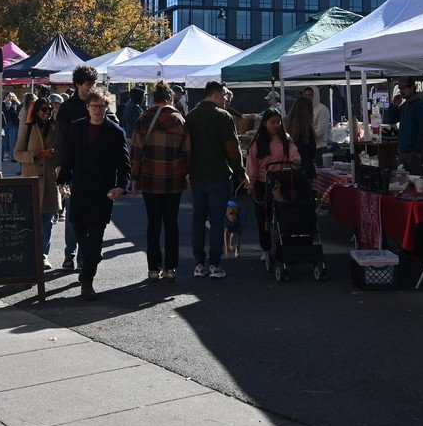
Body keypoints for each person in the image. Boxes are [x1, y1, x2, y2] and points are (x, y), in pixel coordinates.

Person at [57, 87, 130, 300]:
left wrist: (121, 186)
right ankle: (91, 256)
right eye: (94, 106)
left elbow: (124, 165)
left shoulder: (116, 132)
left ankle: (87, 282)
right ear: (87, 107)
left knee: (96, 234)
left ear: (107, 107)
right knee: (79, 229)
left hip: (102, 192)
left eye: (102, 106)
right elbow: (68, 158)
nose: (98, 110)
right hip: (79, 189)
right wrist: (61, 182)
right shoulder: (77, 128)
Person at [185, 80, 244, 279]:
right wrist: (240, 171)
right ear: (217, 94)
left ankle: (199, 264)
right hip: (219, 175)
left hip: (197, 175)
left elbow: (186, 148)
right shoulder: (223, 117)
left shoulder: (191, 116)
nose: (226, 100)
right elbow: (232, 148)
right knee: (218, 222)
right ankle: (215, 265)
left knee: (198, 220)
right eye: (225, 96)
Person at [129, 80, 187, 281]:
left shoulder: (143, 118)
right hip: (173, 178)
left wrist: (134, 178)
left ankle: (153, 268)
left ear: (154, 99)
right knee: (171, 223)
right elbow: (187, 151)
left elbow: (135, 152)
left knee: (153, 223)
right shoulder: (179, 119)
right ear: (170, 97)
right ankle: (170, 268)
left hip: (150, 178)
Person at [51, 64, 98, 272]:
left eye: (94, 83)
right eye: (89, 83)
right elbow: (59, 139)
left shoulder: (96, 104)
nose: (92, 87)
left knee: (89, 215)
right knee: (72, 214)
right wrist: (60, 166)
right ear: (79, 84)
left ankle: (83, 256)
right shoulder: (68, 108)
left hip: (93, 167)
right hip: (72, 167)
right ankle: (70, 255)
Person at [245, 107, 301, 254]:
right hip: (263, 184)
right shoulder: (257, 142)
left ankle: (285, 242)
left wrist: (295, 159)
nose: (277, 125)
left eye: (278, 122)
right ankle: (266, 248)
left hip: (282, 180)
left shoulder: (285, 138)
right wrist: (250, 184)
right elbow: (251, 165)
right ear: (265, 123)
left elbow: (294, 152)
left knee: (284, 213)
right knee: (264, 217)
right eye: (273, 122)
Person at [13, 96, 59, 268]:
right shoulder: (28, 129)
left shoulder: (55, 128)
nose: (48, 112)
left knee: (47, 220)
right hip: (31, 180)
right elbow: (17, 154)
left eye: (49, 110)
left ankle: (44, 255)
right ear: (37, 111)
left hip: (49, 181)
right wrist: (34, 155)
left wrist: (56, 155)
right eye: (44, 109)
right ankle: (30, 252)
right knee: (32, 220)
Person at [394, 78, 423, 172]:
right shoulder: (403, 106)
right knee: (403, 182)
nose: (401, 91)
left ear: (412, 88)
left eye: (404, 88)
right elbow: (390, 119)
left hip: (414, 152)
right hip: (403, 151)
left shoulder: (420, 105)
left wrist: (417, 151)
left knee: (417, 181)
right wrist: (393, 106)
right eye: (400, 88)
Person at [284, 95, 319, 179]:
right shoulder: (306, 127)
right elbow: (312, 149)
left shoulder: (286, 124)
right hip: (305, 167)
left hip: (289, 167)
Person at [1, 91, 21, 163]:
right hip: (3, 125)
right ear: (5, 97)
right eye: (9, 96)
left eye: (11, 97)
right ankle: (1, 157)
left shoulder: (15, 104)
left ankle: (13, 157)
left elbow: (18, 114)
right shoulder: (1, 105)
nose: (10, 98)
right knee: (3, 141)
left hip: (13, 124)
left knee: (13, 141)